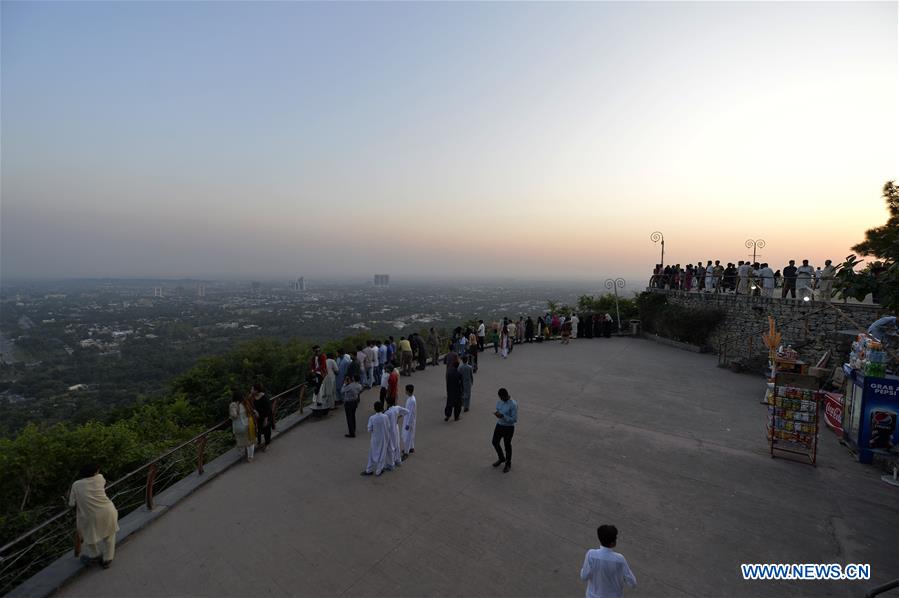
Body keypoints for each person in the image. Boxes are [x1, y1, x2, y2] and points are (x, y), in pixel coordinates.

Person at [70, 464, 119, 569]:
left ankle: (94, 555)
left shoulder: (76, 485)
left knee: (88, 536)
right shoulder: (100, 478)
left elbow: (71, 503)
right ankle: (107, 559)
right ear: (95, 472)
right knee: (109, 535)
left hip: (90, 515)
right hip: (108, 510)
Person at [580, 524, 637, 598]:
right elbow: (632, 583)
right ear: (612, 543)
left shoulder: (591, 554)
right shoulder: (619, 559)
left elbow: (584, 576)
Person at [492, 387, 518, 473]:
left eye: (503, 398)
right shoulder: (500, 401)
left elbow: (514, 419)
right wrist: (497, 414)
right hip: (499, 425)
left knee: (507, 445)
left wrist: (503, 416)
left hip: (508, 428)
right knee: (494, 442)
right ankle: (501, 458)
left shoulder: (513, 404)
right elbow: (498, 409)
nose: (501, 399)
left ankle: (508, 464)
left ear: (506, 395)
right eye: (500, 398)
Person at [361, 401, 390, 476]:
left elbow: (369, 429)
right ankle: (379, 470)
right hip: (383, 438)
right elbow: (388, 426)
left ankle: (369, 470)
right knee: (382, 454)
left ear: (374, 409)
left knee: (371, 454)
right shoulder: (385, 417)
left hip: (375, 439)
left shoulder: (372, 418)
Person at [229, 390, 256, 462]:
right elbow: (250, 411)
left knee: (241, 441)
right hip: (248, 424)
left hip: (238, 427)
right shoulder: (245, 402)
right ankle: (250, 457)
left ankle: (242, 454)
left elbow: (234, 415)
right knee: (250, 441)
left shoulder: (233, 405)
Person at [384, 402, 410, 468]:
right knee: (397, 445)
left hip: (390, 431)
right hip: (396, 428)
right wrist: (398, 417)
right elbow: (407, 411)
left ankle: (391, 464)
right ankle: (398, 460)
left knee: (390, 447)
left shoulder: (387, 413)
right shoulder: (397, 408)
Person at [252, 383, 273, 451]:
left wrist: (266, 419)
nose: (251, 390)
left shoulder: (264, 397)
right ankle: (259, 442)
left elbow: (268, 409)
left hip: (266, 416)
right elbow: (252, 406)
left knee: (266, 430)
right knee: (259, 429)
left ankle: (267, 444)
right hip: (258, 417)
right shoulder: (253, 396)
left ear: (256, 390)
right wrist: (255, 411)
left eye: (252, 389)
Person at [401, 384, 417, 459]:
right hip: (407, 419)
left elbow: (412, 413)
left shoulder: (412, 401)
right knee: (410, 435)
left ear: (408, 391)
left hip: (409, 421)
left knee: (407, 436)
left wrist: (408, 424)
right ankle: (411, 447)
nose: (405, 391)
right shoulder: (410, 398)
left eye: (405, 390)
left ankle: (406, 452)